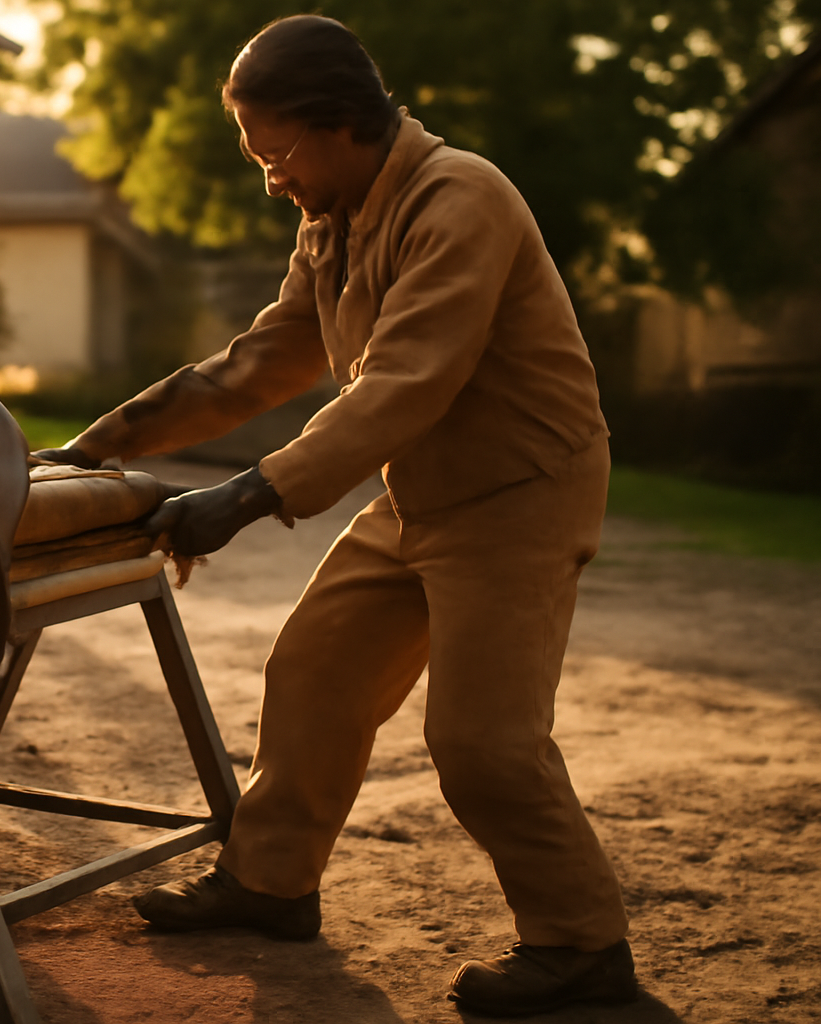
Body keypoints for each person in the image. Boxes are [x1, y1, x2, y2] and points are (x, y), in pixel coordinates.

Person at [33, 14, 637, 1018]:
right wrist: (101, 443)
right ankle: (270, 886)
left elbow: (404, 383)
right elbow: (263, 361)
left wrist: (248, 493)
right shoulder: (336, 216)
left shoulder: (461, 200)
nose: (268, 174)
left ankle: (582, 945)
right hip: (425, 492)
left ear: (337, 121)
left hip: (522, 494)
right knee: (314, 668)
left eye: (275, 149)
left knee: (484, 744)